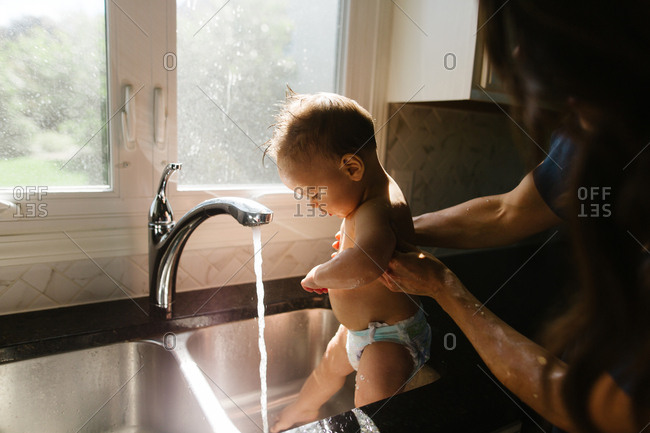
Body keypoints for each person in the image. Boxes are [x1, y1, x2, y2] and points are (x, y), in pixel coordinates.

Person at [382, 1, 650, 432]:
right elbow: (507, 211)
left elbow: (606, 411)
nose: (523, 55)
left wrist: (447, 290)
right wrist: (392, 230)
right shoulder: (592, 130)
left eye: (536, 33)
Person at [265, 92, 432, 432]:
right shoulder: (364, 201)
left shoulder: (378, 206)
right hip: (360, 332)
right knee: (327, 368)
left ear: (352, 167)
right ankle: (303, 408)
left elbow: (368, 264)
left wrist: (322, 272)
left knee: (371, 409)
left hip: (391, 340)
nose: (310, 203)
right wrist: (348, 251)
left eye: (313, 193)